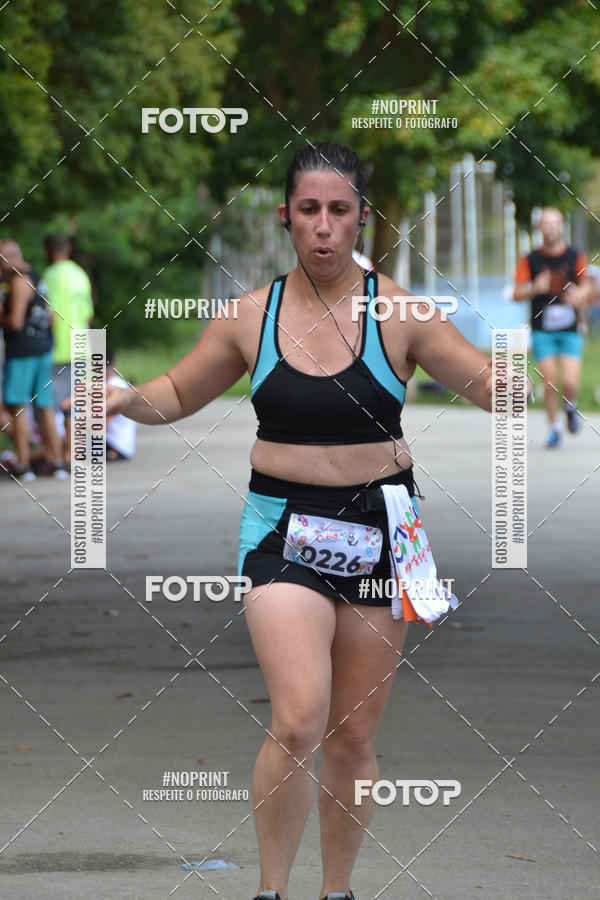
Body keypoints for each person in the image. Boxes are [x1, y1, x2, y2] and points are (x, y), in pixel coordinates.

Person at [106, 143, 494, 900]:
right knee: (298, 718)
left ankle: (336, 891)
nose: (323, 227)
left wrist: (511, 382)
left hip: (382, 529)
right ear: (286, 215)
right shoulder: (251, 316)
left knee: (353, 735)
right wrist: (125, 400)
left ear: (364, 220)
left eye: (339, 211)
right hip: (283, 527)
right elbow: (179, 393)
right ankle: (271, 891)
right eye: (308, 210)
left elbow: (483, 380)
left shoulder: (404, 313)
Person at [513, 207, 592, 448]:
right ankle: (554, 429)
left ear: (561, 226)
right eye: (545, 224)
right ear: (540, 228)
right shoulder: (530, 259)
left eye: (554, 223)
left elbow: (587, 284)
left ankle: (570, 406)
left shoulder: (574, 255)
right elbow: (516, 292)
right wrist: (535, 287)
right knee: (550, 381)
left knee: (570, 382)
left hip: (569, 328)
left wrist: (580, 296)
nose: (550, 228)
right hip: (542, 329)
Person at [0, 238, 66, 481]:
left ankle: (24, 465)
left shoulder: (18, 280)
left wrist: (2, 317)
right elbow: (50, 317)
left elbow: (15, 322)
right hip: (42, 348)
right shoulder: (37, 277)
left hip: (22, 351)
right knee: (45, 405)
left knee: (18, 407)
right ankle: (57, 462)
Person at [42, 233, 95, 465]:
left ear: (48, 251)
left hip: (57, 348)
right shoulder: (80, 274)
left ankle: (57, 457)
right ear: (69, 249)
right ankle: (74, 455)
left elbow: (48, 314)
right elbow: (88, 313)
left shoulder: (49, 276)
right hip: (81, 345)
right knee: (76, 404)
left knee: (53, 406)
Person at [105, 347, 136, 461]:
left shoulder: (111, 387)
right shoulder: (120, 384)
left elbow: (102, 424)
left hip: (116, 447)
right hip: (123, 447)